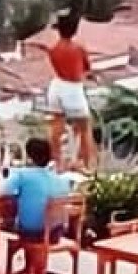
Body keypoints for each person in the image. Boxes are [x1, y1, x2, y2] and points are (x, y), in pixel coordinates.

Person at [0, 137, 70, 274]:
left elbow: (3, 191)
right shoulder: (59, 178)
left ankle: (29, 269)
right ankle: (29, 269)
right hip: (56, 231)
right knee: (32, 213)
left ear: (29, 156)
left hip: (33, 232)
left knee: (12, 217)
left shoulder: (23, 175)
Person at [45, 11, 95, 172]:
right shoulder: (78, 48)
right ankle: (88, 166)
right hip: (72, 89)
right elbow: (87, 68)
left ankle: (56, 162)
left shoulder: (53, 49)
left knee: (56, 125)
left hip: (56, 85)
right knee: (85, 127)